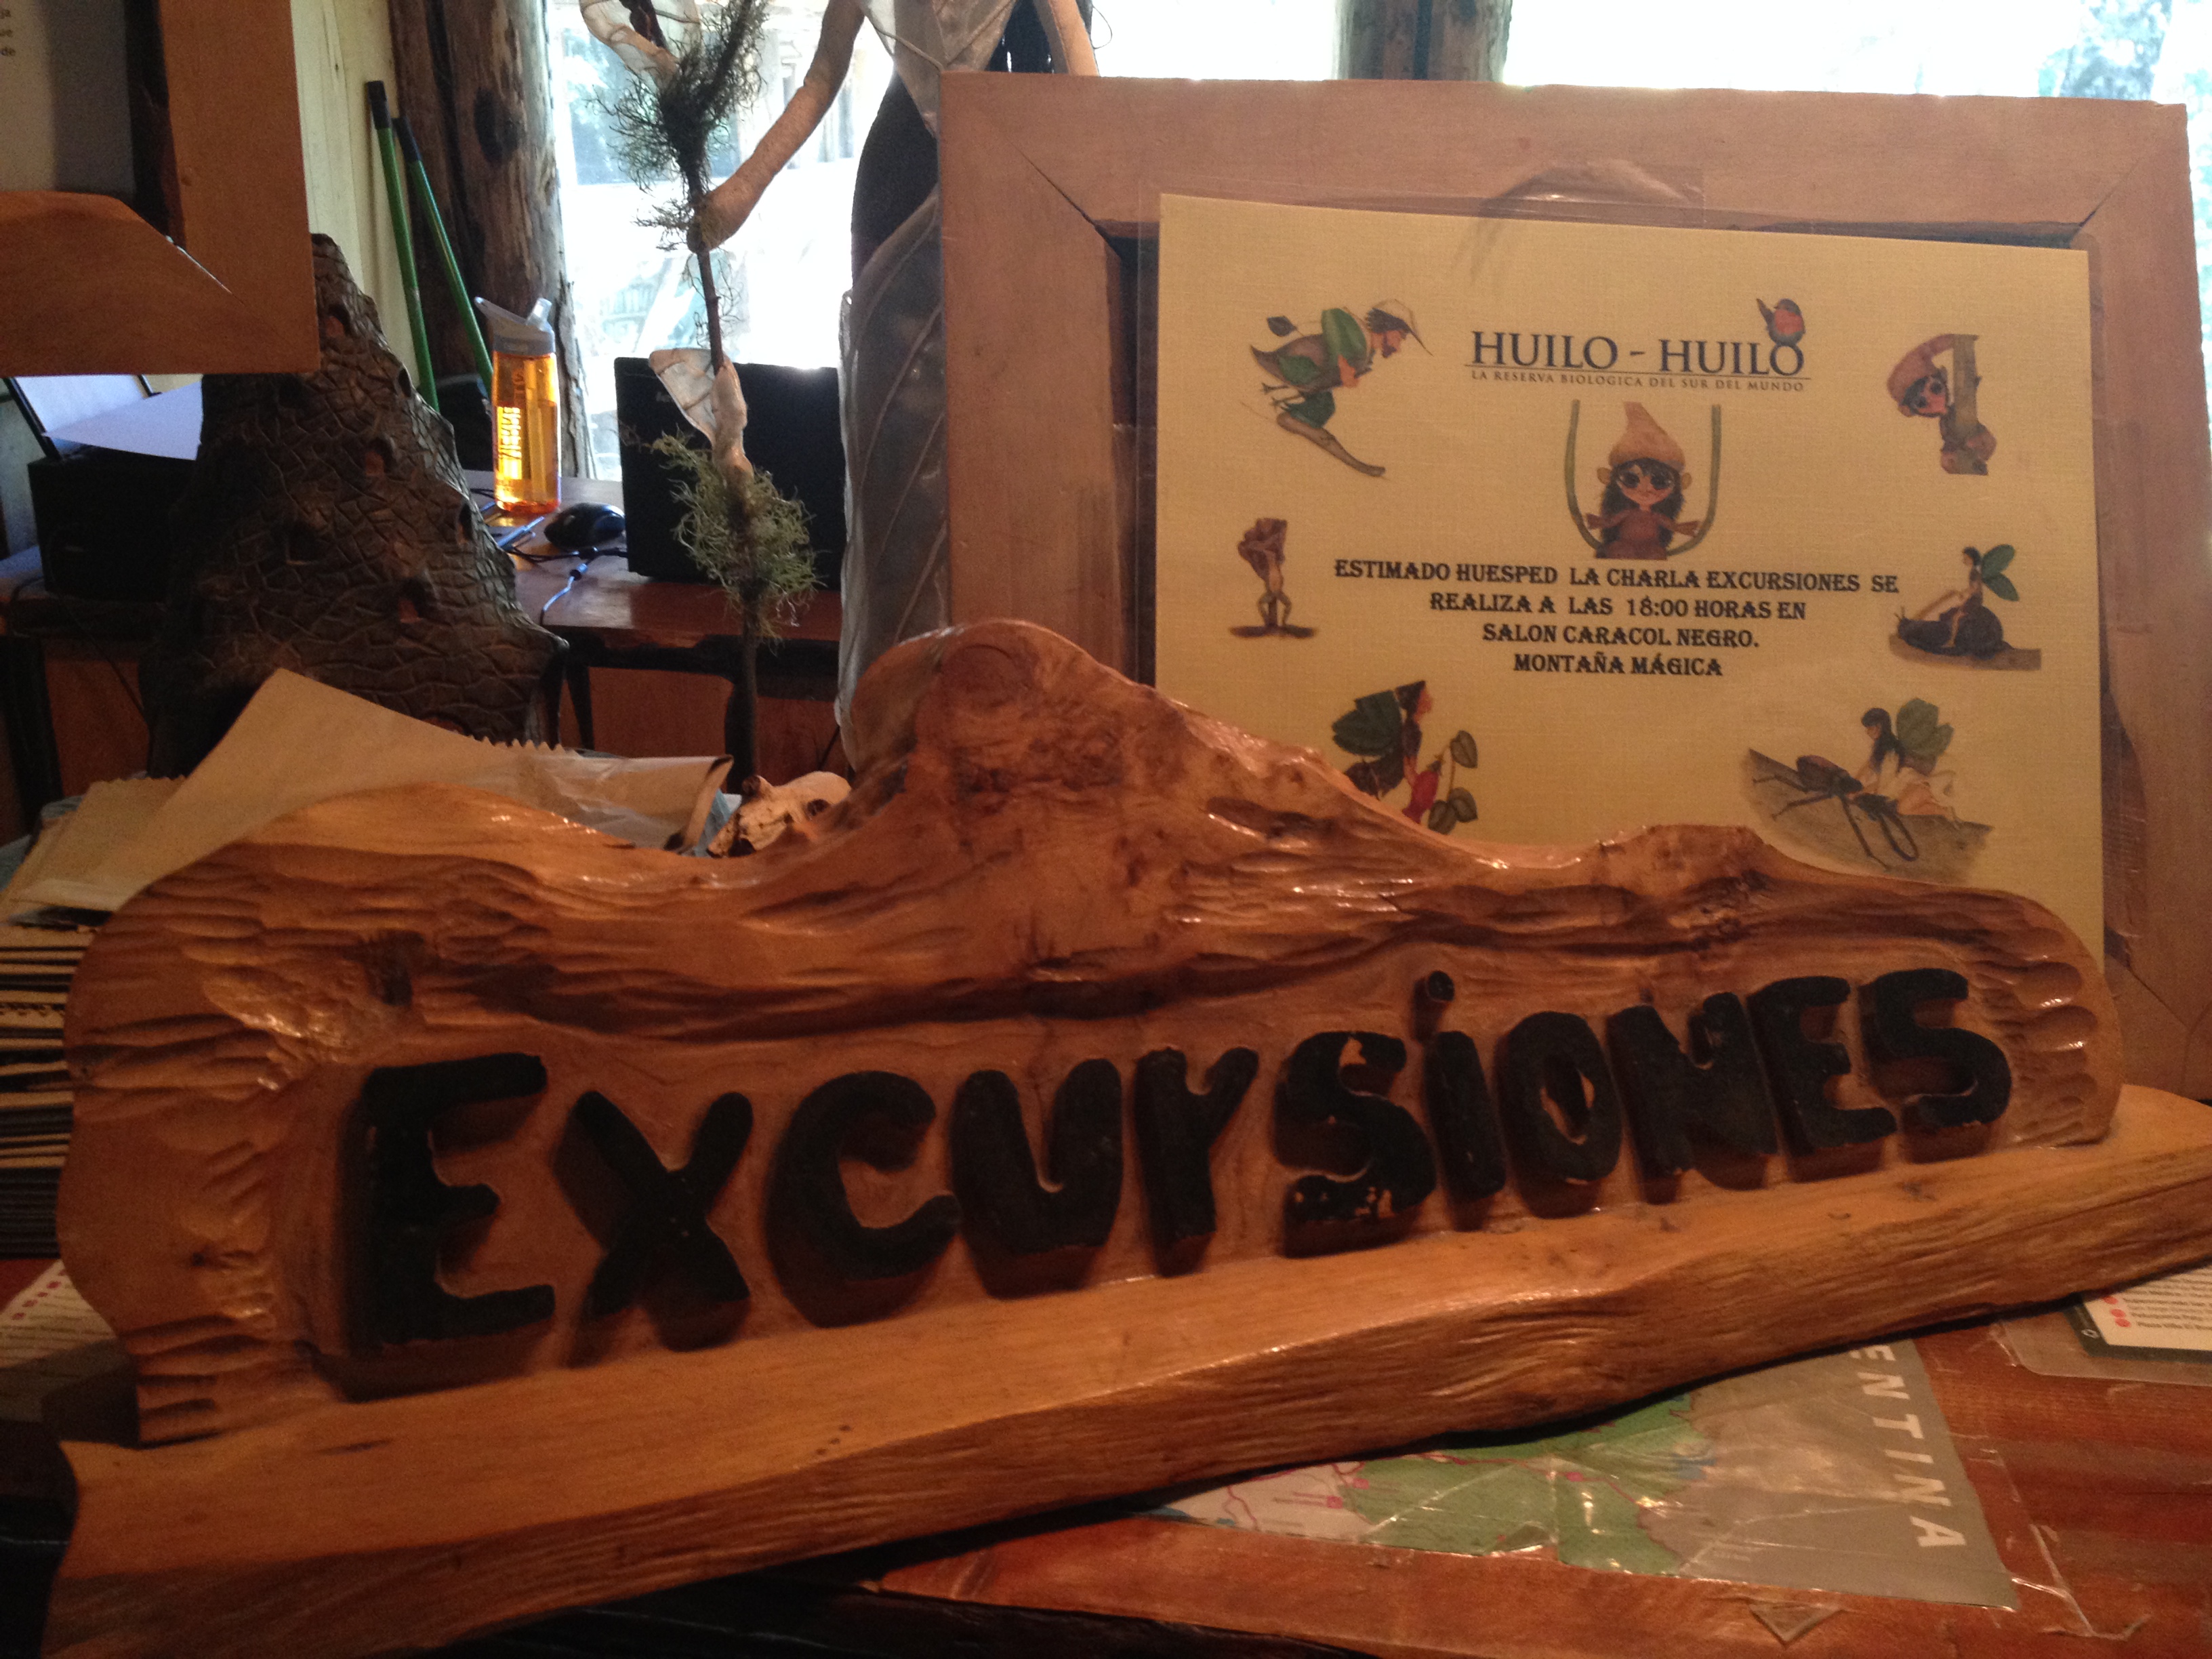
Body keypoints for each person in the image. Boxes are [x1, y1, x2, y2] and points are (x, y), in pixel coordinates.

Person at [1251, 305, 1420, 475]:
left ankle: (1293, 421)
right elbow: (1331, 314)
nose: (1398, 347)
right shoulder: (1358, 334)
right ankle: (1356, 464)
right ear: (1387, 327)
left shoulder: (1366, 351)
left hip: (1314, 382)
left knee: (1325, 407)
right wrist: (1343, 363)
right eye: (1400, 337)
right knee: (1324, 407)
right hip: (1296, 367)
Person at [1587, 404, 1700, 558]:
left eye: (1659, 482)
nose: (1645, 489)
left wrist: (1681, 528)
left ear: (1681, 483)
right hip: (1624, 545)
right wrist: (1599, 522)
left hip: (1651, 546)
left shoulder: (1656, 516)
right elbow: (1612, 522)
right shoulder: (1627, 512)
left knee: (1655, 554)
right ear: (1608, 479)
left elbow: (1670, 525)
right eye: (1631, 480)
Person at [1887, 334, 1996, 474]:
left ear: (1943, 379)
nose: (1933, 400)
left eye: (1936, 389)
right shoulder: (1945, 422)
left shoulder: (1959, 408)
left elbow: (1986, 440)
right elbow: (1949, 442)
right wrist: (1950, 453)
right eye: (1921, 403)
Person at [1896, 546, 2006, 658]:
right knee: (1953, 614)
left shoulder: (1974, 573)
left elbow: (1974, 588)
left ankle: (1951, 641)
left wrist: (1964, 593)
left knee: (1956, 618)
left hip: (1974, 600)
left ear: (1972, 559)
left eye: (1966, 558)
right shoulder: (1976, 571)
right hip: (1974, 599)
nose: (1964, 560)